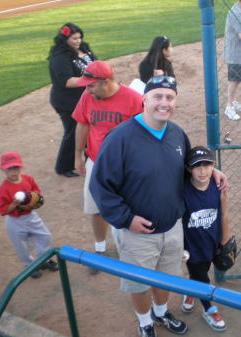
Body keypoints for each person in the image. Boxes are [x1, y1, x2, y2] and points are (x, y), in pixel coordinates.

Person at [89, 76, 228, 337]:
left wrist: (213, 171)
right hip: (137, 232)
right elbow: (100, 186)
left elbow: (189, 168)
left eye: (169, 97)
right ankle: (145, 322)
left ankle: (161, 312)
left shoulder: (176, 133)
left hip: (173, 226)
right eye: (157, 96)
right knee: (139, 284)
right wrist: (125, 218)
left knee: (166, 277)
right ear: (144, 99)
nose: (164, 103)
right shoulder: (120, 138)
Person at [72, 60, 143, 274]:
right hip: (96, 160)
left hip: (124, 165)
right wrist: (78, 155)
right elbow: (83, 123)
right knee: (96, 208)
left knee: (127, 208)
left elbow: (144, 133)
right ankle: (100, 249)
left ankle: (127, 252)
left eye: (91, 85)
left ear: (105, 82)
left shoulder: (133, 99)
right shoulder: (87, 97)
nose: (87, 90)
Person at [180, 146, 231, 332]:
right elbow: (177, 220)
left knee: (202, 270)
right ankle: (209, 308)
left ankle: (190, 290)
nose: (202, 171)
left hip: (212, 241)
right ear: (188, 168)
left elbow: (224, 214)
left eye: (206, 165)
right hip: (191, 245)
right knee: (202, 275)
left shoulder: (218, 187)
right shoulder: (183, 190)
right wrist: (179, 247)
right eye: (197, 166)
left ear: (213, 166)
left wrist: (224, 240)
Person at [0, 152, 59, 279]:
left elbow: (37, 192)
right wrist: (14, 203)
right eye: (9, 169)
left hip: (31, 216)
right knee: (21, 246)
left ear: (20, 167)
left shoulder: (28, 179)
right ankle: (29, 265)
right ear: (3, 169)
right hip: (15, 221)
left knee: (45, 236)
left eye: (15, 168)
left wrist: (32, 199)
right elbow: (4, 211)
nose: (13, 171)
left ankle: (44, 259)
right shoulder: (2, 189)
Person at [48, 23, 96, 178]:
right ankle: (63, 167)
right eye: (74, 38)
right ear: (65, 38)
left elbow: (96, 64)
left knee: (90, 129)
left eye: (79, 37)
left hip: (85, 98)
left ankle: (92, 159)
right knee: (73, 132)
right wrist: (90, 79)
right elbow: (66, 81)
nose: (78, 41)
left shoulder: (84, 48)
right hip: (67, 101)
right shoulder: (59, 56)